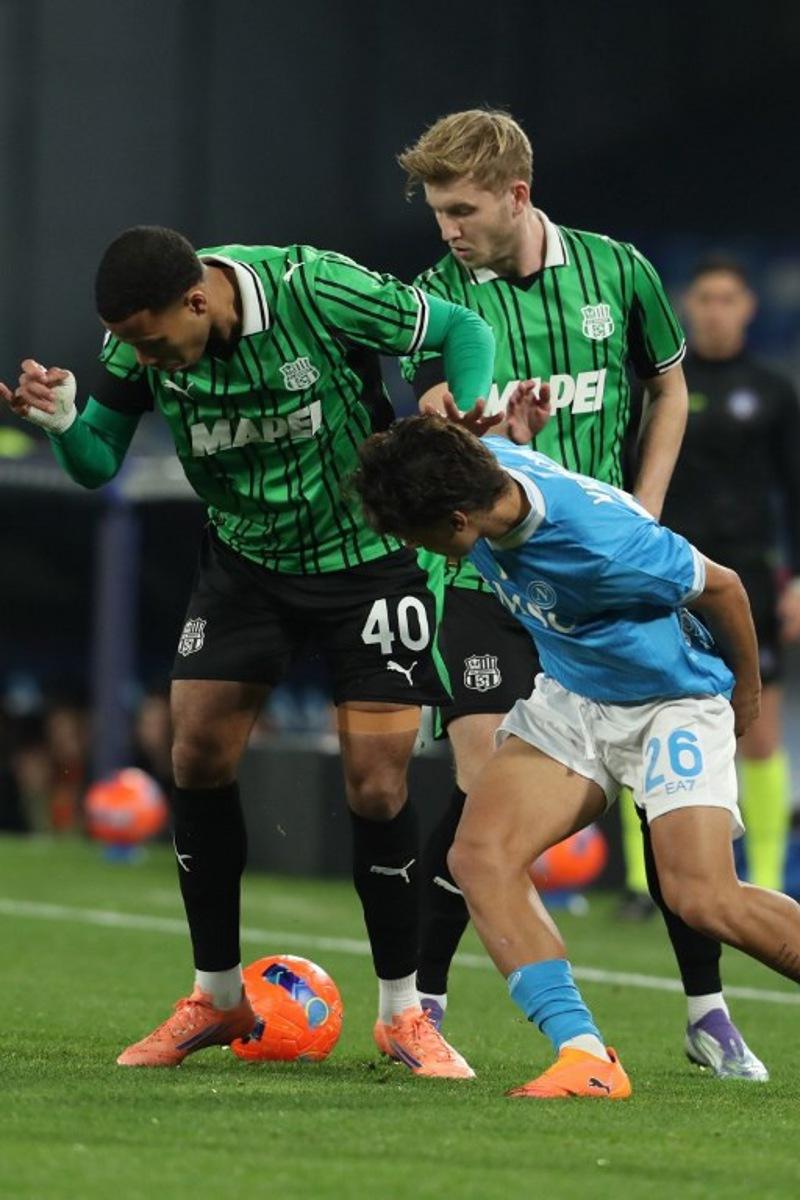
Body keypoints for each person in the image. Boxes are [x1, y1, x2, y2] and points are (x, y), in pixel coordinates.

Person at [0, 225, 495, 1076]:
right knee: (194, 752)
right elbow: (95, 466)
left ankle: (403, 1014)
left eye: (154, 340)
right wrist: (64, 420)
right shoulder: (136, 345)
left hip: (368, 562)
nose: (146, 359)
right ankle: (217, 996)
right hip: (245, 565)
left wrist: (467, 411)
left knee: (377, 784)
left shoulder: (315, 289)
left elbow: (464, 330)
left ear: (197, 301)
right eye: (129, 344)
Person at [396, 107, 767, 1079]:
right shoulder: (436, 296)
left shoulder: (617, 272)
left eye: (460, 209)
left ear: (515, 195)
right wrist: (449, 413)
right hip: (488, 570)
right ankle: (429, 1006)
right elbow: (428, 419)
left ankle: (705, 1009)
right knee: (483, 795)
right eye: (437, 211)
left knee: (685, 850)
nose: (445, 230)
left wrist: (642, 512)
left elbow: (666, 388)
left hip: (599, 566)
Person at [352, 399, 800, 1099]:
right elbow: (486, 448)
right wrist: (512, 430)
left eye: (420, 536)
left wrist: (745, 692)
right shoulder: (486, 473)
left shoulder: (602, 544)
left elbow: (725, 588)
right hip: (574, 696)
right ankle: (586, 1056)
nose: (419, 550)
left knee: (702, 898)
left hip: (671, 703)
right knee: (480, 857)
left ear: (461, 522)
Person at [660, 255, 800, 891]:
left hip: (748, 578)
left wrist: (797, 579)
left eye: (729, 299)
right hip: (668, 573)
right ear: (689, 305)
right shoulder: (661, 385)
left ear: (747, 307)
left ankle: (767, 878)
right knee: (654, 721)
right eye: (706, 298)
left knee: (760, 730)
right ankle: (648, 884)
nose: (716, 310)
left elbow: (795, 491)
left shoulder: (772, 390)